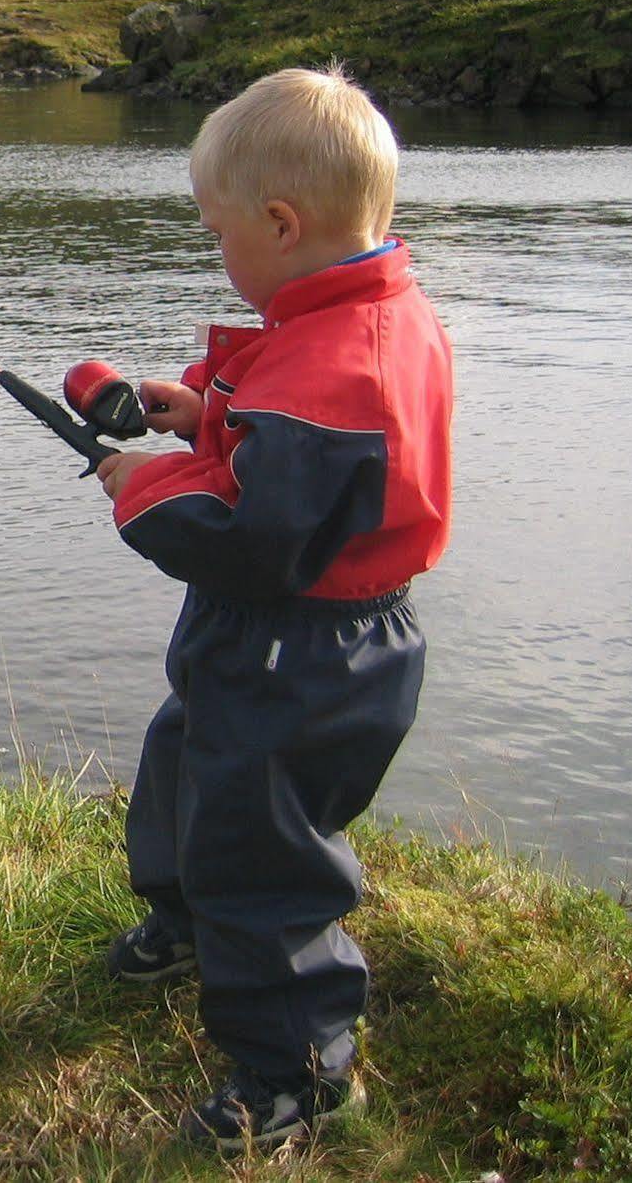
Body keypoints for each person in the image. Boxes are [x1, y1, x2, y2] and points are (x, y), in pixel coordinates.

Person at [91, 64, 454, 1152]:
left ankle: (294, 1072)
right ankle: (183, 920)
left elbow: (257, 537)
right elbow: (295, 459)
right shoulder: (360, 317)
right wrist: (208, 412)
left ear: (282, 223)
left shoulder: (345, 368)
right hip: (276, 628)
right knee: (188, 759)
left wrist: (137, 482)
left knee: (266, 850)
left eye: (217, 233)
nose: (216, 250)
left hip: (309, 646)